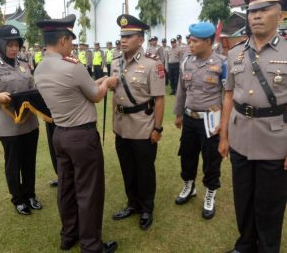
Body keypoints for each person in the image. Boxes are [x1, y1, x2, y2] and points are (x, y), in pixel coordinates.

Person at [34, 14, 118, 253]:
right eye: (70, 40)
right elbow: (95, 95)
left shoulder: (39, 69)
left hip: (59, 134)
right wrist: (108, 82)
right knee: (89, 191)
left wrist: (98, 81)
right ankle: (91, 245)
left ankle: (68, 235)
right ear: (62, 40)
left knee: (67, 188)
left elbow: (79, 88)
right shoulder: (73, 67)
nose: (72, 45)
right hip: (81, 137)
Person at [218, 0, 287, 253]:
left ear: (281, 15)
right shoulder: (235, 53)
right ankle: (245, 245)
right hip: (240, 140)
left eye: (264, 9)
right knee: (243, 199)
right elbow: (228, 97)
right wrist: (224, 135)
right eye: (251, 10)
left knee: (270, 205)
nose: (256, 15)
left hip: (275, 141)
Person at [111, 14, 165, 230]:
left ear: (141, 39)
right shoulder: (115, 62)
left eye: (129, 36)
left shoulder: (153, 64)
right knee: (127, 168)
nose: (123, 40)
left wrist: (158, 128)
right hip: (121, 126)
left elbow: (159, 99)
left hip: (143, 125)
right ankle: (132, 203)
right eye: (122, 36)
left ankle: (146, 208)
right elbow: (114, 93)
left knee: (144, 170)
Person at [173, 22, 226, 220]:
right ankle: (189, 186)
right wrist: (178, 114)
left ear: (208, 42)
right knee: (187, 155)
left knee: (211, 159)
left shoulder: (222, 63)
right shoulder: (186, 61)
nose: (190, 43)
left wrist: (224, 122)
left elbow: (226, 95)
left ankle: (210, 193)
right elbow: (181, 90)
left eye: (194, 41)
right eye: (189, 40)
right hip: (189, 118)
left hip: (211, 120)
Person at [0, 25, 42, 215]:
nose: (13, 48)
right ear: (1, 46)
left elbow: (32, 88)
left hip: (30, 123)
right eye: (9, 45)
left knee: (29, 162)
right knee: (13, 164)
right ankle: (18, 199)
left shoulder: (24, 63)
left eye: (16, 44)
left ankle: (30, 194)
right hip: (9, 127)